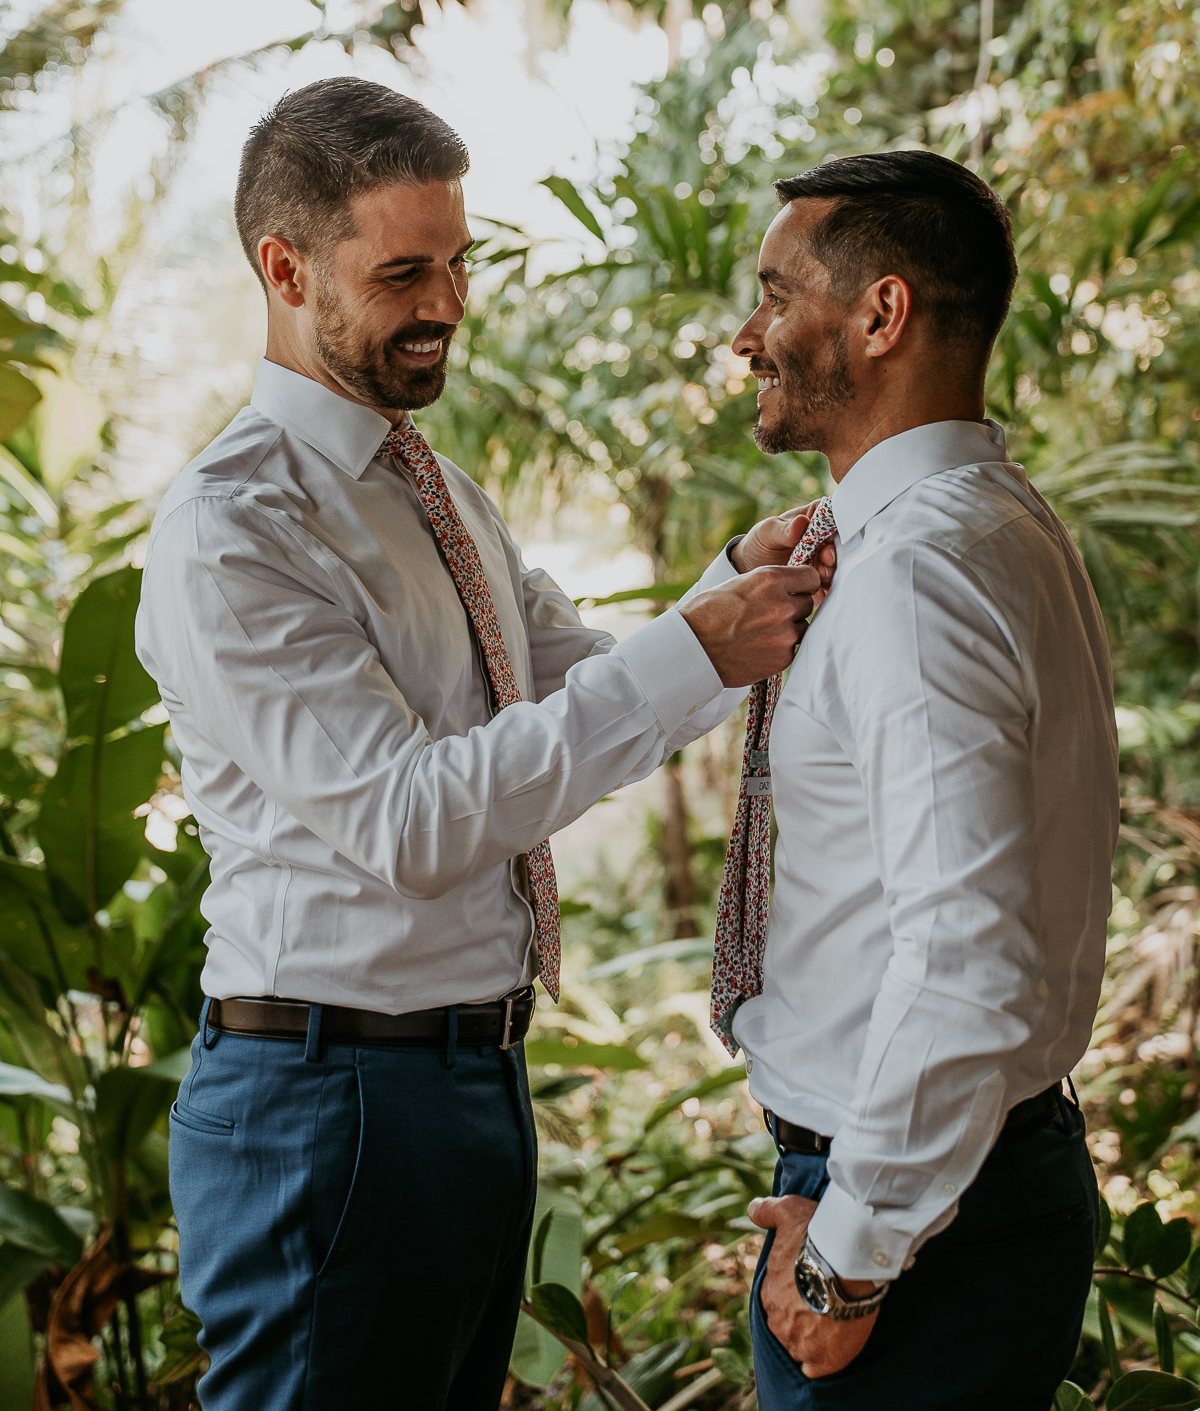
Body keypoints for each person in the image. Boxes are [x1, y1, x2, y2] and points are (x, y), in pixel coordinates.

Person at [134, 77, 833, 1411]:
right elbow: (416, 824)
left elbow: (574, 682)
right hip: (325, 1104)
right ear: (283, 269)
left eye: (458, 262)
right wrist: (707, 640)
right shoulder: (237, 529)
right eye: (405, 272)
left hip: (467, 1083)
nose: (449, 303)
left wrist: (728, 585)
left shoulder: (441, 488)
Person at [715, 150, 1118, 1410]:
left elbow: (965, 956)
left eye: (777, 294)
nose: (747, 335)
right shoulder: (985, 523)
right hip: (958, 1180)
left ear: (881, 314)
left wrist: (849, 1259)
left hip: (916, 1223)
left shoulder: (914, 571)